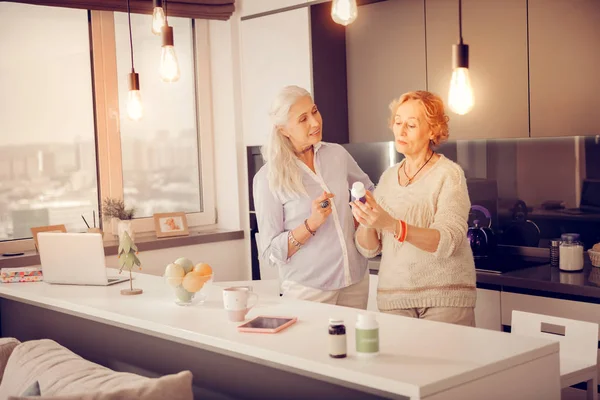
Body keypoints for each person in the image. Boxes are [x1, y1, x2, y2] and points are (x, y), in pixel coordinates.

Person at [351, 90, 476, 326]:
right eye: (398, 122)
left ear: (432, 131)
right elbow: (369, 249)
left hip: (443, 298)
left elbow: (448, 240)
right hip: (394, 300)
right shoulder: (388, 178)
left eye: (411, 124)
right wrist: (368, 221)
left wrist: (390, 224)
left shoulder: (449, 175)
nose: (401, 130)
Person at [253, 85, 374, 308]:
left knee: (357, 343)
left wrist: (360, 216)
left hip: (355, 279)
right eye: (303, 119)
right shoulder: (267, 179)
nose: (315, 122)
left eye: (315, 111)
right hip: (308, 289)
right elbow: (272, 252)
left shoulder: (337, 154)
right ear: (283, 130)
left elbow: (367, 190)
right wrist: (311, 224)